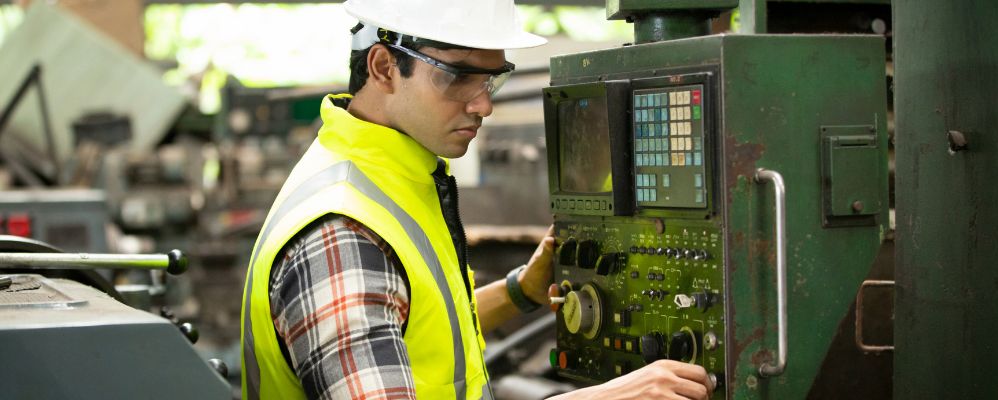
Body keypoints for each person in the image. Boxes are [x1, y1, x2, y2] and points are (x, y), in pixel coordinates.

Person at [240, 0, 715, 399]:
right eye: (458, 76)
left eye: (491, 80)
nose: (483, 104)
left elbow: (423, 329)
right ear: (384, 67)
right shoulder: (342, 234)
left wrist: (520, 293)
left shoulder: (387, 177)